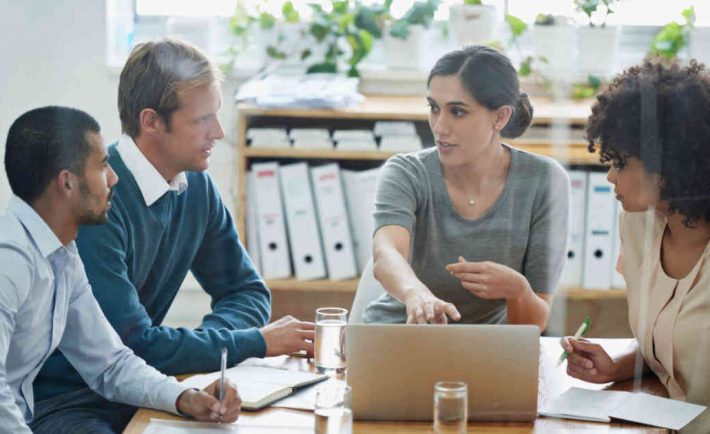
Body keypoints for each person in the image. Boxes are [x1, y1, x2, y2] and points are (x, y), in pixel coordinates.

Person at [31, 39, 313, 433]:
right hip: (66, 402)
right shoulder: (95, 203)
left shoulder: (196, 188)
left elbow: (246, 291)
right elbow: (135, 344)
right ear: (151, 121)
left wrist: (211, 352)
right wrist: (253, 342)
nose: (218, 132)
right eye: (203, 120)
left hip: (152, 387)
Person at [0, 106, 241, 434]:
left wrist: (185, 397)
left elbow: (109, 364)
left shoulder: (62, 254)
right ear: (67, 183)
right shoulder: (9, 261)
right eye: (102, 167)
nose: (113, 178)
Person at [362, 45, 569, 327]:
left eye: (457, 112)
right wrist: (417, 295)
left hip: (484, 351)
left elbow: (534, 324)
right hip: (398, 336)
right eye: (434, 108)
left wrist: (517, 290)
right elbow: (386, 253)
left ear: (500, 117)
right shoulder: (406, 172)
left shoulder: (545, 181)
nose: (439, 127)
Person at [561, 59, 710, 433]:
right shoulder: (637, 223)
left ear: (670, 163)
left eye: (622, 162)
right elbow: (673, 339)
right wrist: (618, 364)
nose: (610, 176)